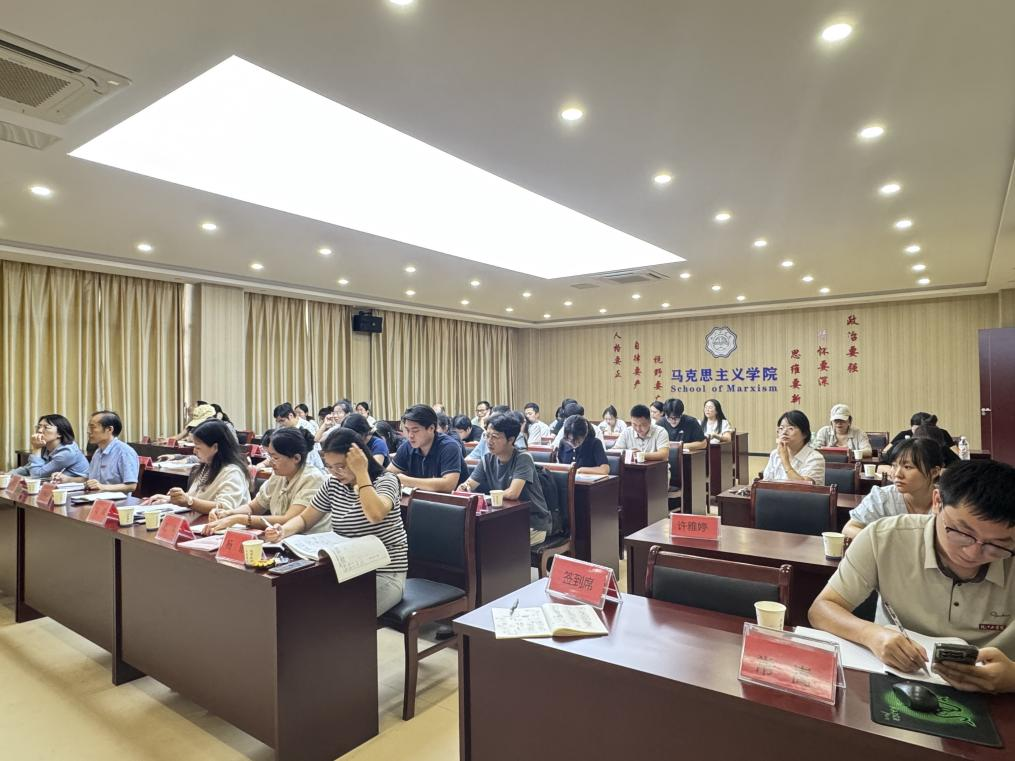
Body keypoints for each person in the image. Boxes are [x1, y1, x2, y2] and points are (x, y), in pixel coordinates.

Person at [809, 460, 1015, 692]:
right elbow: (821, 610)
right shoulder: (884, 537)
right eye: (962, 533)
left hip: (996, 695)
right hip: (893, 681)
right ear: (937, 502)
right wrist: (873, 635)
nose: (973, 552)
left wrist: (1012, 679)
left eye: (997, 545)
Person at [267, 428, 407, 616]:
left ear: (359, 460)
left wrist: (362, 473)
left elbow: (375, 515)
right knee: (301, 603)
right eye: (330, 467)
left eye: (341, 467)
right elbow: (304, 519)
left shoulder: (386, 481)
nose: (335, 473)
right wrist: (283, 530)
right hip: (345, 570)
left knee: (339, 617)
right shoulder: (333, 484)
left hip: (383, 573)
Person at [205, 427, 328, 534]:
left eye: (275, 458)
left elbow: (288, 520)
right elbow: (254, 507)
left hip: (306, 542)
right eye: (269, 456)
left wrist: (239, 519)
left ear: (296, 458)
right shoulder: (279, 475)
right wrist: (229, 513)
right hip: (280, 538)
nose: (270, 462)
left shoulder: (313, 479)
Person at [459, 413, 551, 546]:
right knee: (469, 539)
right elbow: (468, 485)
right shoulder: (487, 459)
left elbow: (513, 493)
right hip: (503, 520)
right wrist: (464, 487)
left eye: (495, 437)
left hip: (532, 523)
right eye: (487, 435)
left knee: (492, 545)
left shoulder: (523, 458)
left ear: (511, 439)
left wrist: (484, 499)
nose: (489, 441)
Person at [843, 438, 945, 540]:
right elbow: (849, 529)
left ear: (934, 472)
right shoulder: (883, 497)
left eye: (907, 467)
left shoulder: (948, 501)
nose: (897, 474)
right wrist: (887, 543)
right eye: (894, 465)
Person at [141, 420, 249, 514]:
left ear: (215, 447)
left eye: (198, 447)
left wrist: (189, 501)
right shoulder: (206, 466)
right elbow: (194, 497)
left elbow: (224, 508)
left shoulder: (232, 472)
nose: (194, 451)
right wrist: (170, 499)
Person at [387, 405, 468, 492]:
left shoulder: (449, 446)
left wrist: (407, 481)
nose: (410, 435)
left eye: (415, 431)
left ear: (431, 428)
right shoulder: (407, 446)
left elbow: (448, 485)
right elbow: (387, 474)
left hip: (451, 499)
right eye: (407, 430)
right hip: (419, 498)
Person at [54, 410, 138, 493]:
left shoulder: (124, 452)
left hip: (117, 500)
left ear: (109, 429)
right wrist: (67, 479)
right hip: (96, 497)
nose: (88, 431)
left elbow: (131, 486)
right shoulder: (98, 452)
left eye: (93, 427)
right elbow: (89, 479)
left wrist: (102, 487)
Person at [10, 414, 90, 478]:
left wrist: (36, 448)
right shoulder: (45, 446)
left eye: (46, 427)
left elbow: (36, 475)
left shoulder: (67, 452)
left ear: (59, 433)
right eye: (39, 427)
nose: (39, 430)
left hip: (79, 488)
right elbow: (29, 468)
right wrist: (8, 475)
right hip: (53, 484)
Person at [762, 410, 825, 485]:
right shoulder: (775, 454)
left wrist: (785, 461)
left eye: (790, 428)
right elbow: (765, 483)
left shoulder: (815, 458)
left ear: (805, 434)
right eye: (781, 428)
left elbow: (804, 487)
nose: (784, 432)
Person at [272, 403, 325, 469]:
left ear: (290, 415)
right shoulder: (282, 428)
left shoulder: (306, 425)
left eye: (282, 420)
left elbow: (311, 444)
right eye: (278, 421)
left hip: (310, 462)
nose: (281, 424)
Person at [884, 412, 957, 458]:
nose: (921, 432)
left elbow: (956, 453)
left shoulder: (942, 437)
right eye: (917, 429)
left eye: (924, 429)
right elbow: (885, 452)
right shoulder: (903, 437)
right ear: (911, 427)